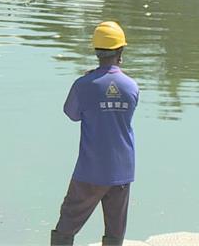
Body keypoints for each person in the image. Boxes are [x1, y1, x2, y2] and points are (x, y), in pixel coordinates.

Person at [51, 22, 138, 246]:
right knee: (115, 229)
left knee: (67, 224)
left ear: (96, 52)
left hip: (90, 169)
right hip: (122, 170)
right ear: (121, 52)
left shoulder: (83, 85)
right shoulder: (132, 87)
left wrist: (90, 83)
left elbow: (72, 113)